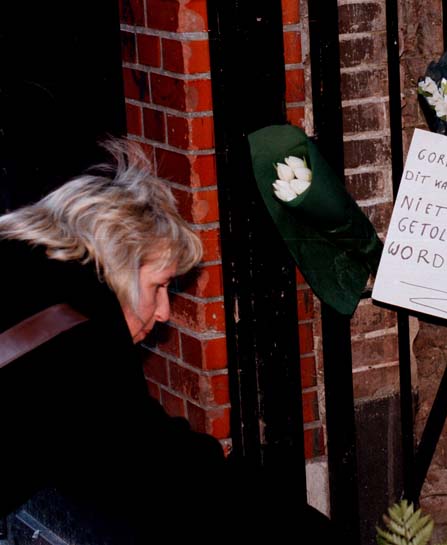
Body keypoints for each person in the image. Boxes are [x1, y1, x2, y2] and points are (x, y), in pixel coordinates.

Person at [0, 139, 330, 544]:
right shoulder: (80, 345)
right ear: (117, 265)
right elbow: (166, 474)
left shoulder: (22, 271)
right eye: (158, 286)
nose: (163, 312)